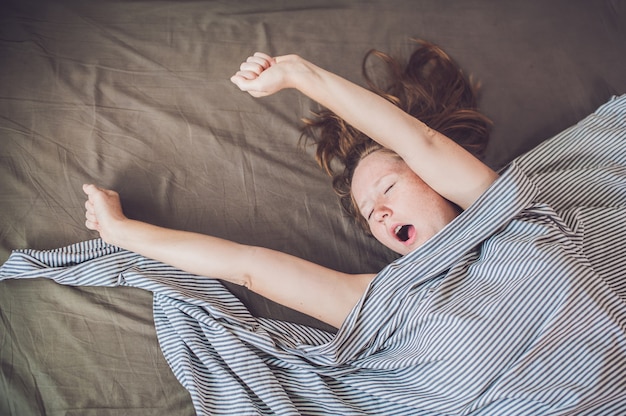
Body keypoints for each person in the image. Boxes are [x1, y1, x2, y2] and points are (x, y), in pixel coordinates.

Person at [83, 43, 497, 329]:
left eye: (388, 189)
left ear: (436, 178)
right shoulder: (386, 299)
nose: (381, 212)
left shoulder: (505, 212)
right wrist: (121, 232)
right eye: (371, 213)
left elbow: (419, 141)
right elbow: (250, 268)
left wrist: (303, 74)